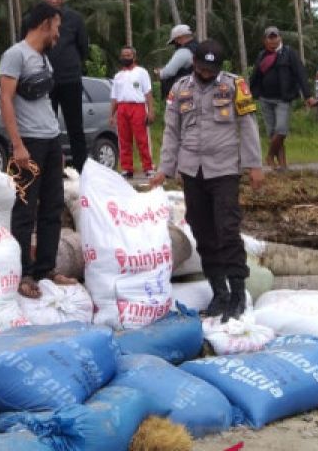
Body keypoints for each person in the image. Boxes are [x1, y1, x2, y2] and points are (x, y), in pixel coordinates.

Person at [150, 39, 264, 321]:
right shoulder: (179, 89)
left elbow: (248, 125)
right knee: (202, 232)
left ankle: (237, 292)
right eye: (201, 68)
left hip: (224, 169)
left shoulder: (235, 86)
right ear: (193, 64)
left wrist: (254, 165)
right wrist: (165, 167)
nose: (206, 74)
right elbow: (171, 131)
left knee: (227, 230)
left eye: (211, 70)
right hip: (192, 170)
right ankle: (219, 292)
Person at [0, 1, 78, 300]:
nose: (58, 32)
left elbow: (44, 103)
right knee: (24, 209)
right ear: (45, 23)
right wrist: (17, 144)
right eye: (56, 26)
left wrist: (57, 144)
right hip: (27, 142)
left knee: (52, 207)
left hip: (50, 139)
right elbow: (6, 100)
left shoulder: (44, 59)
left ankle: (46, 268)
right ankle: (24, 273)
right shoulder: (15, 55)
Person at [22, 0, 90, 170]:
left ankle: (81, 170)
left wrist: (72, 66)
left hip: (70, 80)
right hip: (41, 81)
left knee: (75, 127)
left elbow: (83, 47)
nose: (54, 0)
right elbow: (24, 47)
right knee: (45, 128)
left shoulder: (75, 19)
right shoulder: (29, 20)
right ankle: (48, 169)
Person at [248, 26, 316, 170]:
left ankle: (269, 156)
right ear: (265, 40)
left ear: (280, 38)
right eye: (270, 38)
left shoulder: (289, 53)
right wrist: (250, 94)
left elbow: (300, 74)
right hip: (265, 99)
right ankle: (283, 166)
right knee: (272, 133)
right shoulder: (262, 55)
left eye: (275, 37)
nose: (273, 40)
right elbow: (255, 77)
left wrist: (308, 95)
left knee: (281, 130)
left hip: (283, 99)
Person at [109, 46, 154, 179]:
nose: (125, 58)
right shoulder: (118, 76)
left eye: (128, 55)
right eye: (123, 55)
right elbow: (115, 97)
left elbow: (148, 92)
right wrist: (112, 115)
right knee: (124, 140)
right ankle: (127, 168)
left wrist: (150, 110)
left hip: (138, 107)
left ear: (134, 57)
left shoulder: (142, 72)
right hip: (122, 108)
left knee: (142, 139)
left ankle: (148, 167)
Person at [157, 24, 196, 102]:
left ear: (180, 38)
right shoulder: (198, 47)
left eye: (176, 40)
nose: (176, 43)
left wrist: (160, 73)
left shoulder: (184, 51)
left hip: (182, 91)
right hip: (196, 89)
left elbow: (169, 72)